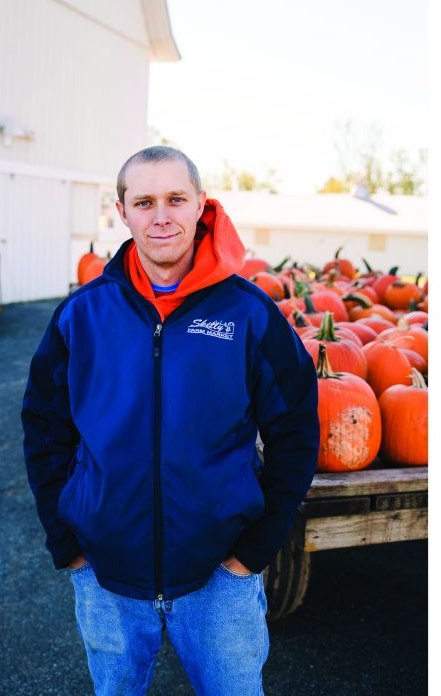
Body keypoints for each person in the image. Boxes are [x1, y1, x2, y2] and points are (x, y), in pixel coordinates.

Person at [22, 146, 319, 695]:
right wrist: (67, 541)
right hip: (107, 573)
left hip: (218, 578)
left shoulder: (249, 314)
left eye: (176, 199)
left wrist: (254, 550)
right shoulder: (81, 315)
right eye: (145, 201)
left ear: (201, 205)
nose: (162, 216)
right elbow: (44, 429)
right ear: (123, 211)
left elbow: (297, 428)